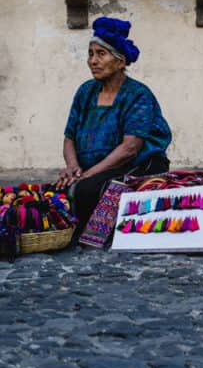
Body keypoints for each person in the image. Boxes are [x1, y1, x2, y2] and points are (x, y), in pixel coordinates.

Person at [56, 17, 172, 230]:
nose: (93, 61)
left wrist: (88, 175)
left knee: (89, 190)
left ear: (120, 62)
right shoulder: (85, 92)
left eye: (101, 54)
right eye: (90, 54)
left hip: (136, 165)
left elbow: (130, 148)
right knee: (56, 192)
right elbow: (69, 136)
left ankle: (95, 236)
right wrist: (73, 168)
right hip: (95, 168)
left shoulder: (138, 95)